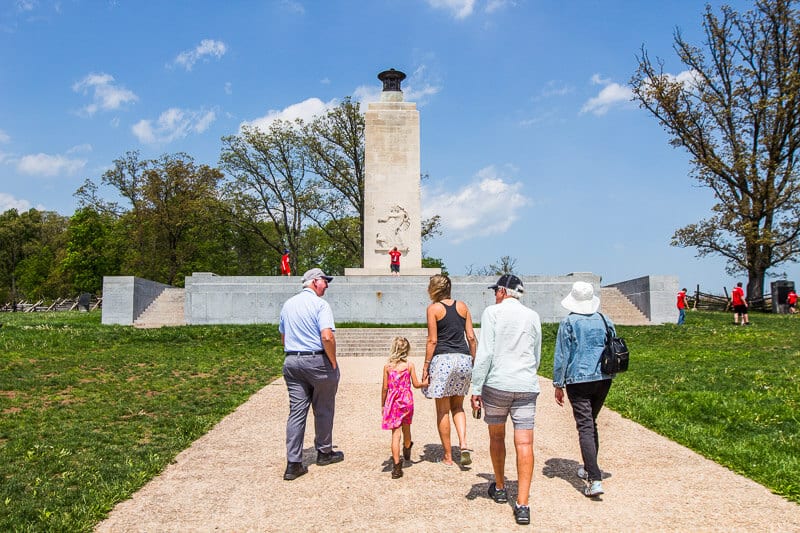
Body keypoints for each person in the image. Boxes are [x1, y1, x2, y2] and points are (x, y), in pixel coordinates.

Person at [470, 274, 541, 526]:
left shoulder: (492, 313)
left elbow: (486, 351)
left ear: (502, 291)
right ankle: (522, 504)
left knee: (497, 437)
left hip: (498, 383)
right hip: (525, 384)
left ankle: (500, 487)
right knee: (525, 443)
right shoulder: (532, 316)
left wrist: (476, 387)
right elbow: (536, 352)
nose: (494, 295)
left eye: (495, 291)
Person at [552, 281, 616, 498]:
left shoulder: (569, 322)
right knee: (591, 423)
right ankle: (590, 467)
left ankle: (594, 478)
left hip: (578, 379)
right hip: (603, 377)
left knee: (585, 426)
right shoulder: (604, 319)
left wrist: (558, 383)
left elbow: (562, 355)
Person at [278, 267, 343, 480]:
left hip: (292, 360)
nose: (327, 285)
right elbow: (327, 337)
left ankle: (293, 463)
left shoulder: (288, 304)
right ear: (315, 282)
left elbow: (284, 336)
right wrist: (332, 361)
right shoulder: (320, 304)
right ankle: (324, 452)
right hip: (317, 360)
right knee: (323, 408)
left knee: (296, 412)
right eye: (325, 281)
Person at [421, 274, 478, 467]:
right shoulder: (462, 306)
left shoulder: (433, 309)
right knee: (458, 406)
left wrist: (426, 365)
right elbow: (471, 337)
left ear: (433, 289)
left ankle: (447, 456)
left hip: (443, 359)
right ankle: (463, 444)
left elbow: (433, 340)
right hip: (463, 359)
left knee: (442, 410)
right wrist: (473, 360)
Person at [381, 336, 428, 479]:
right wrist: (425, 383)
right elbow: (416, 384)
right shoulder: (409, 365)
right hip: (406, 401)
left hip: (393, 401)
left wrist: (383, 404)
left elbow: (384, 388)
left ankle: (396, 467)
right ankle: (407, 447)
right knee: (407, 427)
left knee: (396, 434)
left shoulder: (387, 367)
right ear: (406, 350)